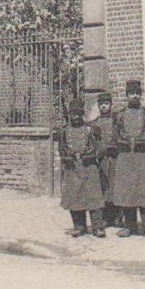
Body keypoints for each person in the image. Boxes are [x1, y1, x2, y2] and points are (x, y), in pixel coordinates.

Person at [111, 79, 145, 239]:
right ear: (127, 95)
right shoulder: (120, 116)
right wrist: (121, 147)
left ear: (140, 95)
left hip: (142, 157)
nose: (134, 96)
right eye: (131, 93)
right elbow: (114, 135)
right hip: (125, 157)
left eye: (137, 93)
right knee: (127, 192)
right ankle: (129, 226)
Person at [53, 100, 106, 237]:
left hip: (89, 166)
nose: (76, 117)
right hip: (72, 168)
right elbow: (61, 147)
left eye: (78, 113)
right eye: (73, 114)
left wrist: (91, 156)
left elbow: (101, 147)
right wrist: (67, 157)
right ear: (70, 115)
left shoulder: (90, 129)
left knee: (93, 197)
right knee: (74, 196)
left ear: (82, 114)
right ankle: (79, 226)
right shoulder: (64, 130)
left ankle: (97, 227)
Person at [87, 90, 120, 231]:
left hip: (116, 158)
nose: (104, 107)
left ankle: (119, 217)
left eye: (106, 104)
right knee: (104, 187)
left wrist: (116, 147)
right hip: (102, 160)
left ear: (111, 105)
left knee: (117, 185)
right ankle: (107, 217)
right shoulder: (94, 124)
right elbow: (91, 142)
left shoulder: (117, 121)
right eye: (101, 104)